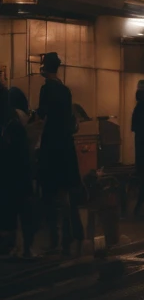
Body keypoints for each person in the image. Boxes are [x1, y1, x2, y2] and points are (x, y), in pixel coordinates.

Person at [37, 52, 84, 256]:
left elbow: (41, 115)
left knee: (49, 194)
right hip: (66, 147)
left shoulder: (46, 89)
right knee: (66, 194)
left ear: (45, 68)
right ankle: (71, 236)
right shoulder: (65, 91)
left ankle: (55, 240)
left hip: (51, 146)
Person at [1, 88, 36, 258]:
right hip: (20, 174)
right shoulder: (16, 124)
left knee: (13, 210)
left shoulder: (10, 125)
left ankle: (17, 246)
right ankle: (24, 247)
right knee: (23, 209)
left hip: (11, 174)